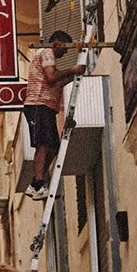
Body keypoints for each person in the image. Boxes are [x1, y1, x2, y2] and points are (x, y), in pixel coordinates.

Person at [23, 29, 85, 200]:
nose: (64, 53)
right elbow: (52, 77)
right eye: (64, 48)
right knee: (43, 144)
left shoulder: (49, 59)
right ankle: (38, 183)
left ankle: (36, 183)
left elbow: (57, 83)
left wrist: (79, 64)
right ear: (57, 43)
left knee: (53, 146)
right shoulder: (47, 52)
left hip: (46, 107)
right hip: (38, 104)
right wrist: (72, 69)